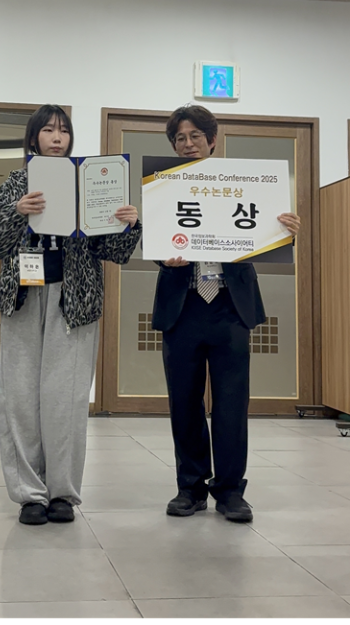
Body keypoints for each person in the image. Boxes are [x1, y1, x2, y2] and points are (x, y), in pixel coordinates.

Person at [0, 105, 141, 526]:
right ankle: (29, 494)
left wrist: (128, 225)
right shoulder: (15, 184)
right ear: (33, 138)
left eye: (63, 131)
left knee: (66, 399)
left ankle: (62, 493)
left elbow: (113, 252)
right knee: (19, 397)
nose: (56, 137)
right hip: (23, 299)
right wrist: (17, 212)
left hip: (75, 301)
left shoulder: (90, 183)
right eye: (48, 130)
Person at [152, 104, 300, 523]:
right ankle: (190, 488)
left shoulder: (242, 183)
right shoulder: (162, 186)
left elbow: (263, 233)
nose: (187, 144)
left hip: (230, 305)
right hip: (182, 306)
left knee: (232, 403)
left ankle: (231, 491)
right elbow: (158, 239)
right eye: (180, 138)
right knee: (184, 403)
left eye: (195, 136)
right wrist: (164, 257)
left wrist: (284, 230)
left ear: (212, 141)